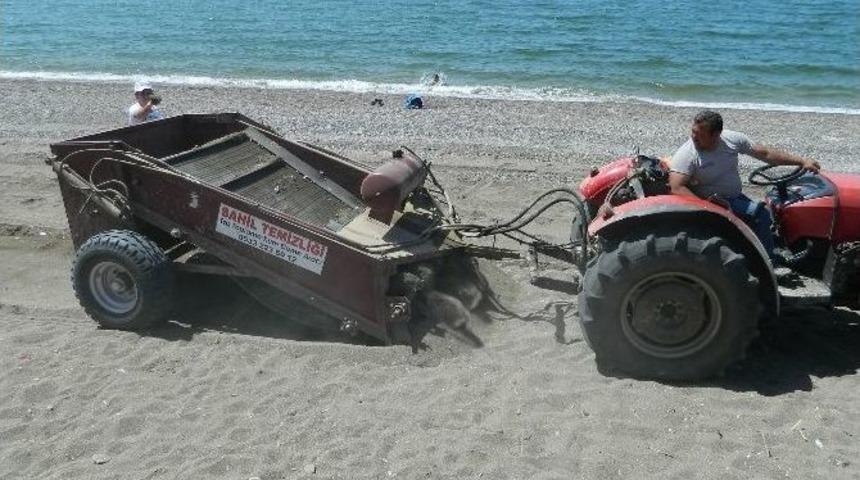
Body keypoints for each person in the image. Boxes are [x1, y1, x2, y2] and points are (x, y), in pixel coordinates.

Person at [669, 110, 820, 261]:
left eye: (699, 134)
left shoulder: (732, 140)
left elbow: (765, 154)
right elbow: (676, 187)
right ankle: (770, 262)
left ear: (716, 135)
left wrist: (801, 161)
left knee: (771, 209)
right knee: (761, 215)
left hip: (734, 197)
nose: (693, 137)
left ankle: (770, 245)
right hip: (713, 203)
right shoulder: (687, 155)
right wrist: (707, 207)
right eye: (693, 132)